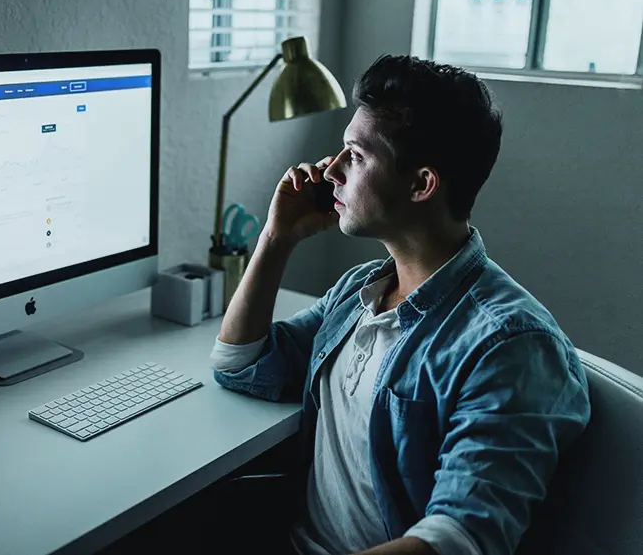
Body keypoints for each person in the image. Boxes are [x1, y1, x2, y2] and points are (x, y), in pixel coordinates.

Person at [207, 54, 591, 555]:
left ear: (422, 184)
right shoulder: (362, 290)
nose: (331, 171)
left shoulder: (510, 347)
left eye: (356, 155)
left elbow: (458, 539)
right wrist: (277, 237)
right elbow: (241, 364)